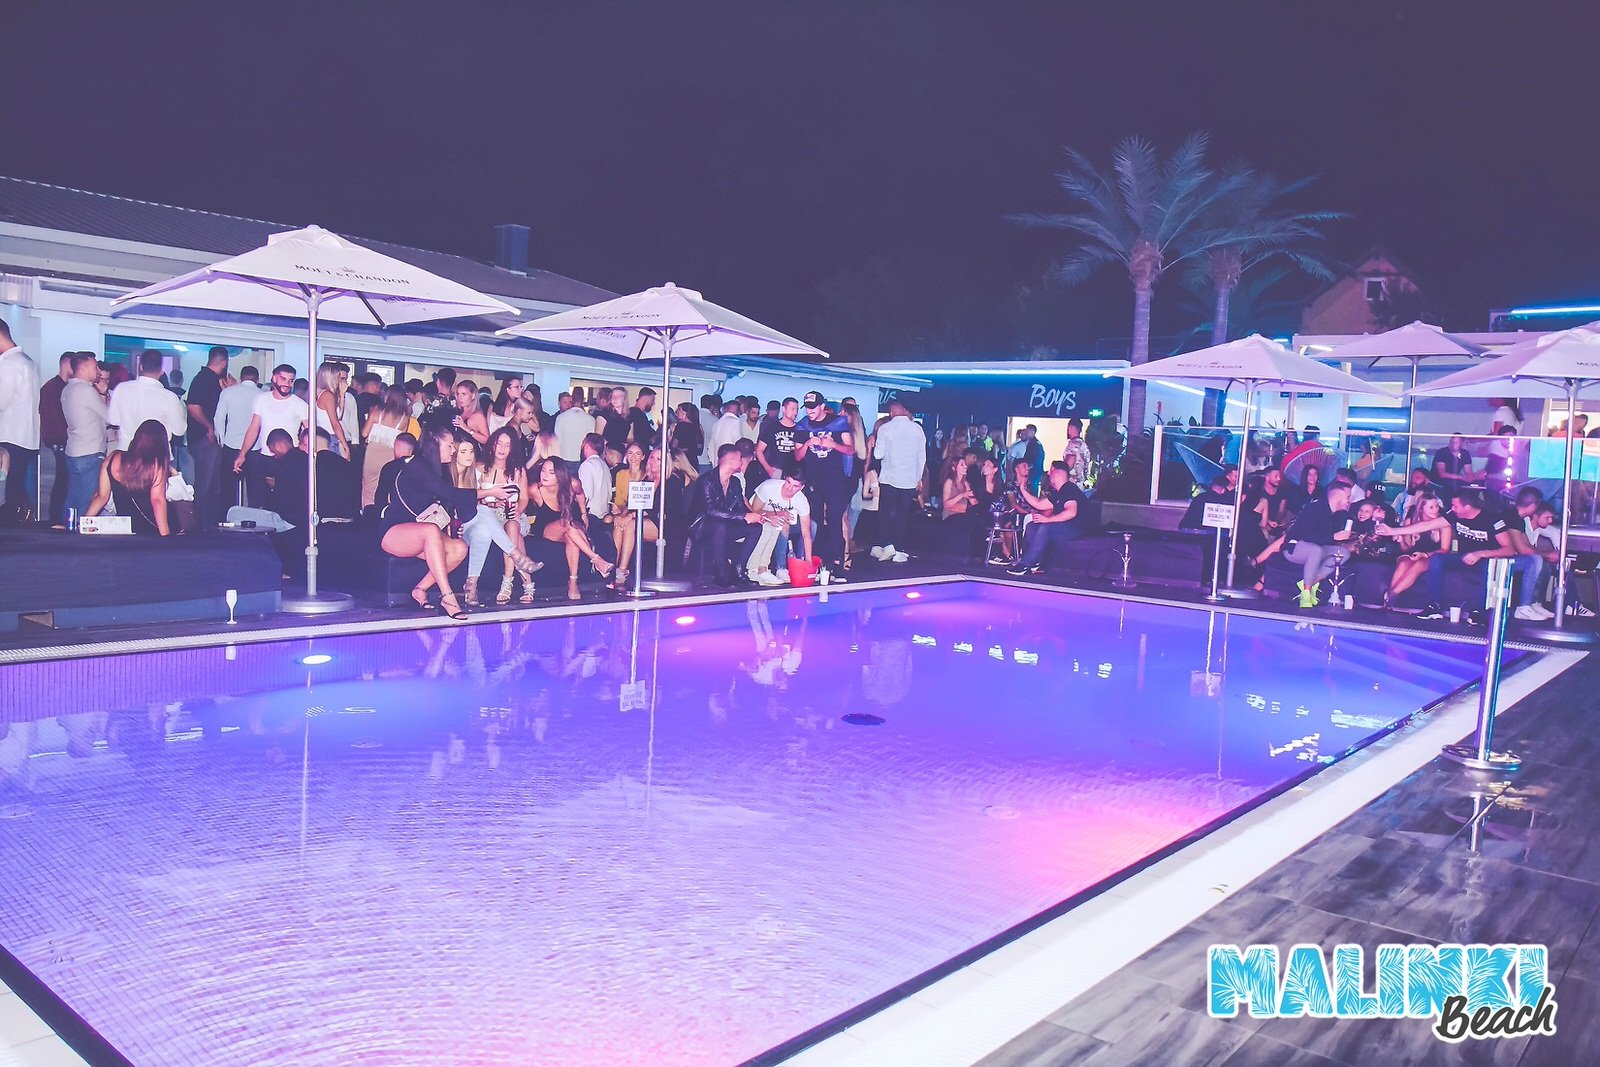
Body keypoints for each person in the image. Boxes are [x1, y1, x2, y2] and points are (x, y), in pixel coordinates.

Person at [379, 424, 483, 620]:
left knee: (459, 547)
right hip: (393, 532)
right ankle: (447, 597)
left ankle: (420, 590)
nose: (453, 451)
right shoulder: (419, 465)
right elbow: (449, 493)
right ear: (435, 444)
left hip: (421, 533)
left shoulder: (441, 471)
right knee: (431, 530)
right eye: (449, 446)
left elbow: (451, 504)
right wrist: (488, 492)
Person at [1377, 488, 1518, 624]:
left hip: (1485, 560)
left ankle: (1478, 612)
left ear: (1467, 507)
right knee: (1437, 559)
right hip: (1463, 558)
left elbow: (1509, 549)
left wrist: (1481, 553)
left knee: (1489, 567)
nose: (1452, 509)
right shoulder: (1454, 515)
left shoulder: (1492, 520)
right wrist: (1392, 531)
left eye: (1455, 506)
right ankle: (1434, 607)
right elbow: (1426, 525)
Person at [459, 428, 542, 607]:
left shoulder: (518, 471)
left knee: (513, 525)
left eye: (507, 445)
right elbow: (470, 497)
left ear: (512, 448)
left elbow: (524, 498)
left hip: (512, 514)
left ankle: (507, 583)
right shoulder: (479, 468)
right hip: (488, 516)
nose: (502, 448)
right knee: (514, 534)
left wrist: (518, 510)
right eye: (499, 443)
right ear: (492, 445)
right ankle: (526, 583)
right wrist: (488, 502)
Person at [527, 456, 615, 599]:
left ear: (560, 475)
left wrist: (584, 514)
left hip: (572, 523)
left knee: (570, 536)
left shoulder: (573, 484)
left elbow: (581, 495)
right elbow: (521, 501)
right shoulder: (535, 489)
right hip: (548, 528)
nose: (545, 475)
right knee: (567, 524)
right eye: (543, 470)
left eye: (551, 472)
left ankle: (573, 583)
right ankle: (596, 560)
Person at [691, 443, 773, 587]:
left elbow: (740, 507)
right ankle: (722, 574)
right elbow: (710, 510)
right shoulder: (706, 480)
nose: (742, 461)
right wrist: (743, 517)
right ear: (731, 461)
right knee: (719, 525)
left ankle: (739, 569)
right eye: (740, 458)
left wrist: (754, 516)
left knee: (755, 527)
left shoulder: (735, 482)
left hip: (725, 524)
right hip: (703, 527)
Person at [233, 364, 309, 506]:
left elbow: (310, 433)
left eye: (291, 380)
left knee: (284, 502)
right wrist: (242, 454)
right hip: (265, 458)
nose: (287, 384)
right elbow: (254, 428)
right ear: (274, 378)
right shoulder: (261, 399)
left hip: (289, 460)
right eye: (283, 379)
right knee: (258, 500)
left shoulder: (300, 405)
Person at [797, 391, 855, 573]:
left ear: (822, 406)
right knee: (815, 520)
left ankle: (836, 560)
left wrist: (833, 445)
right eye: (807, 408)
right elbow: (797, 456)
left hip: (835, 478)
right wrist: (807, 444)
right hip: (813, 479)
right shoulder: (802, 425)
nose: (809, 411)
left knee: (834, 519)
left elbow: (851, 450)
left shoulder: (838, 423)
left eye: (813, 407)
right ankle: (816, 559)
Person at [85, 419, 171, 535]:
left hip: (125, 528)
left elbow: (101, 497)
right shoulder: (156, 464)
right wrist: (165, 535)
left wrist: (85, 524)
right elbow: (157, 500)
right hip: (150, 529)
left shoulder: (113, 458)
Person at [1279, 482, 1353, 608]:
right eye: (1348, 497)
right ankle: (1306, 594)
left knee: (1343, 553)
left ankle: (1311, 583)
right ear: (1338, 495)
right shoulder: (1315, 508)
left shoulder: (1336, 514)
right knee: (1315, 550)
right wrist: (1333, 537)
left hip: (1316, 548)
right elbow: (1303, 534)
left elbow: (1325, 539)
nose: (1349, 501)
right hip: (1295, 547)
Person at [1005, 462, 1085, 575]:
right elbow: (1039, 504)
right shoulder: (1058, 492)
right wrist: (1022, 489)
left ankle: (1025, 564)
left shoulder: (1069, 488)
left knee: (1046, 527)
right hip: (1064, 527)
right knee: (1032, 526)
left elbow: (1071, 512)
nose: (1048, 473)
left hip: (1076, 528)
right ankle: (1035, 561)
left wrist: (1048, 520)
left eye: (1051, 470)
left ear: (1058, 473)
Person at [870, 400, 925, 562]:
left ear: (891, 413)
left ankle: (887, 545)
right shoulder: (917, 429)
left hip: (889, 478)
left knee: (885, 513)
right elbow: (921, 457)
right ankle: (899, 549)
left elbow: (878, 455)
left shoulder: (885, 428)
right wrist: (918, 478)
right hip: (909, 480)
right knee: (903, 515)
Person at [183, 346, 229, 528]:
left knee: (211, 484)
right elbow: (193, 406)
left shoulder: (209, 379)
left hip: (204, 439)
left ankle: (208, 523)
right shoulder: (205, 379)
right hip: (204, 439)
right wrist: (209, 426)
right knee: (206, 483)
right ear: (224, 362)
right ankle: (201, 524)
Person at [106, 350, 187, 452]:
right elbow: (179, 430)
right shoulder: (169, 397)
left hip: (127, 451)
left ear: (141, 367)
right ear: (161, 371)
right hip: (157, 454)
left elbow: (112, 419)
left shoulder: (122, 389)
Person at [61, 352, 108, 521]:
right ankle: (80, 533)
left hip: (73, 450)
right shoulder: (86, 391)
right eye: (95, 367)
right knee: (87, 500)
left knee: (73, 498)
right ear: (84, 368)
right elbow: (109, 417)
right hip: (90, 452)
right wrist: (103, 394)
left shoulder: (67, 389)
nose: (99, 372)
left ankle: (68, 529)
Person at [1379, 492, 1446, 607]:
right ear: (1422, 509)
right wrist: (1401, 540)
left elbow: (1445, 549)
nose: (1435, 510)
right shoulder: (1411, 522)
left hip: (1430, 556)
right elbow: (1406, 548)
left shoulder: (1442, 523)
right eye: (1431, 507)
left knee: (1418, 564)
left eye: (1436, 506)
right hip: (1411, 555)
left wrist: (1424, 554)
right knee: (1403, 564)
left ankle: (1391, 596)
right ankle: (1389, 599)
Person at [747, 473, 812, 586]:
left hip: (776, 522)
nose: (789, 488)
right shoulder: (769, 486)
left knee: (779, 524)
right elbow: (753, 510)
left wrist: (809, 560)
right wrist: (773, 514)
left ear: (801, 487)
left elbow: (806, 532)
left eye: (795, 486)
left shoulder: (801, 499)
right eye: (788, 483)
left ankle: (764, 568)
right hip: (755, 518)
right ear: (784, 479)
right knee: (770, 525)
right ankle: (752, 569)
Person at [360, 385, 416, 511]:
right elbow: (401, 438)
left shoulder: (376, 411)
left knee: (368, 487)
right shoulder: (404, 418)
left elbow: (364, 433)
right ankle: (383, 513)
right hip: (390, 455)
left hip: (372, 454)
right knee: (386, 487)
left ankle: (368, 513)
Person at [214, 365, 261, 510]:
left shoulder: (228, 393)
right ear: (257, 379)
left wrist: (221, 440)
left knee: (228, 488)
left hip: (231, 445)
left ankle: (228, 517)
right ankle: (253, 518)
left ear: (241, 378)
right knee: (254, 490)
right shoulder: (262, 395)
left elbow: (218, 419)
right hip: (255, 447)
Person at [38, 352, 73, 523]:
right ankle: (55, 520)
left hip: (57, 442)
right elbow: (54, 419)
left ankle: (57, 519)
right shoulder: (54, 388)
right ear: (66, 364)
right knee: (60, 482)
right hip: (57, 443)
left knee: (61, 482)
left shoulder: (54, 387)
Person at [756, 396, 807, 480]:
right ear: (784, 409)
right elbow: (759, 450)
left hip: (793, 473)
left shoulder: (800, 429)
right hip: (776, 470)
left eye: (797, 409)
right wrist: (768, 469)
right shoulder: (771, 427)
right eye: (792, 409)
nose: (795, 412)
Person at [373, 432, 415, 517]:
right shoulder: (421, 466)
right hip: (418, 514)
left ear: (397, 447)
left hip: (397, 514)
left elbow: (380, 496)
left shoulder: (390, 467)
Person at [1430, 434, 1477, 504]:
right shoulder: (1442, 452)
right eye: (1451, 442)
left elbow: (1468, 472)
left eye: (1455, 443)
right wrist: (1462, 477)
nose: (1452, 444)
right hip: (1438, 482)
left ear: (1461, 444)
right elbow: (1442, 474)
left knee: (1475, 485)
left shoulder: (1465, 454)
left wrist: (1471, 478)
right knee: (1452, 486)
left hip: (1455, 482)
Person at [553, 390, 595, 461]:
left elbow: (557, 440)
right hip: (582, 458)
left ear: (572, 399)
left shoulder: (560, 417)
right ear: (583, 399)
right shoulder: (591, 419)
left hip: (564, 457)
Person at [1061, 418, 1091, 487]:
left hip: (1072, 483)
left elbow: (1070, 462)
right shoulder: (1083, 444)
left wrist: (1061, 474)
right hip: (1081, 483)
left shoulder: (1073, 445)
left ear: (1070, 427)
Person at [698, 394, 722, 468]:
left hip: (693, 458)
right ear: (712, 406)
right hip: (707, 458)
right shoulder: (715, 420)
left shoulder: (694, 416)